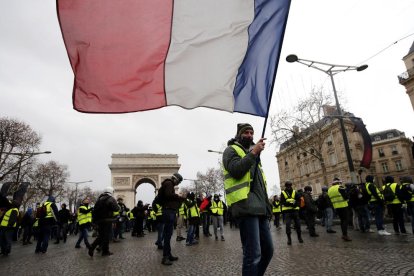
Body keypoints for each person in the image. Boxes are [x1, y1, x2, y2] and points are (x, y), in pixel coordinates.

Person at [222, 123, 273, 276]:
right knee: (253, 254)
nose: (250, 135)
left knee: (268, 251)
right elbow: (236, 170)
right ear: (239, 135)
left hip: (260, 208)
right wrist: (253, 153)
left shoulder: (254, 155)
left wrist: (267, 206)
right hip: (245, 206)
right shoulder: (230, 150)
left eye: (252, 133)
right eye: (246, 133)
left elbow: (260, 185)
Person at [88, 187, 120, 257]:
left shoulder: (99, 199)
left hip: (99, 221)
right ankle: (93, 247)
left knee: (102, 236)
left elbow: (95, 211)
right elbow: (116, 208)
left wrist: (94, 221)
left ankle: (105, 251)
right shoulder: (111, 199)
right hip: (107, 220)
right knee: (105, 236)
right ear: (111, 191)